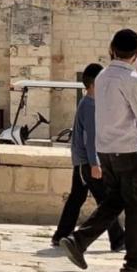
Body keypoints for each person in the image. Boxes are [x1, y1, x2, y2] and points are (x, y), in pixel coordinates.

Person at [60, 29, 137, 272]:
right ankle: (135, 262)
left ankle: (78, 240)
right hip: (126, 150)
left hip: (105, 150)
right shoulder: (132, 79)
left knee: (115, 200)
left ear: (111, 50)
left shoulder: (102, 76)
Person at [51, 63, 125, 251]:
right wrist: (94, 163)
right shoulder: (91, 106)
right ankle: (118, 239)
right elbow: (90, 138)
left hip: (81, 161)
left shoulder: (87, 103)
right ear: (94, 84)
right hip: (88, 163)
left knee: (76, 198)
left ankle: (61, 235)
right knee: (107, 201)